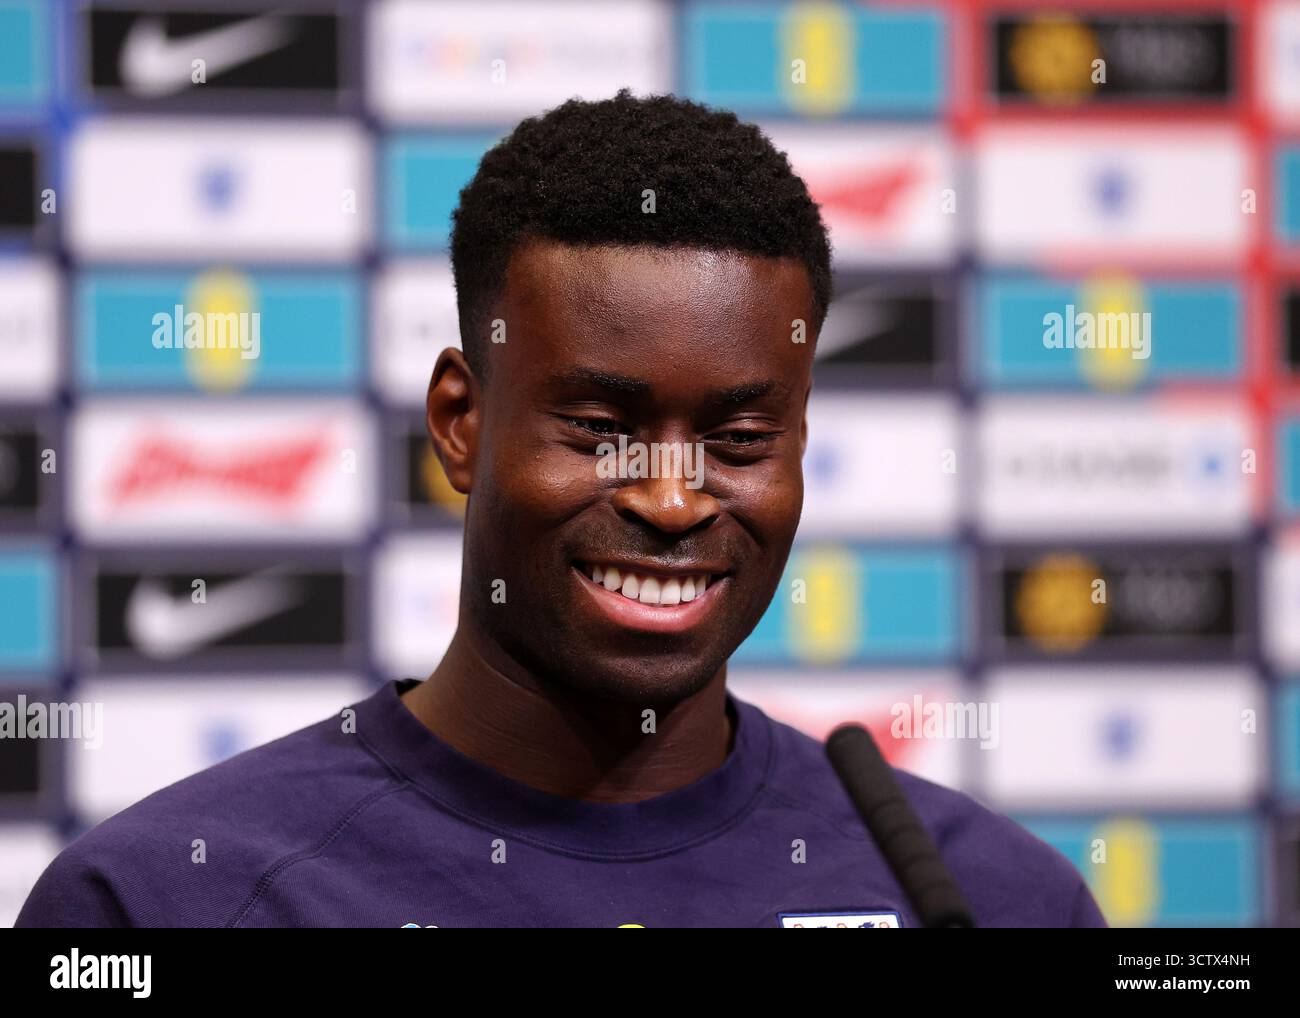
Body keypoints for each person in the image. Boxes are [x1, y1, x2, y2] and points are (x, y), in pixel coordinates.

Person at [18, 91, 1106, 928]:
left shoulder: (993, 898)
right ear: (460, 420)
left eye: (738, 442)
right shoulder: (162, 902)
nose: (674, 499)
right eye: (599, 429)